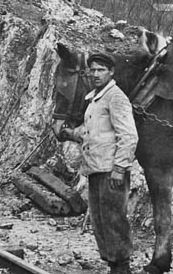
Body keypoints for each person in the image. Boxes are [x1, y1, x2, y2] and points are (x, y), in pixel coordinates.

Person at [58, 53, 138, 274]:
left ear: (111, 72)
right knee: (100, 221)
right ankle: (113, 265)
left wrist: (120, 168)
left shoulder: (116, 97)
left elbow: (129, 136)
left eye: (101, 69)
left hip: (111, 171)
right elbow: (92, 131)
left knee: (114, 220)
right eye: (92, 70)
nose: (95, 74)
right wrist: (69, 133)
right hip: (95, 169)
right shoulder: (95, 98)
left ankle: (122, 268)